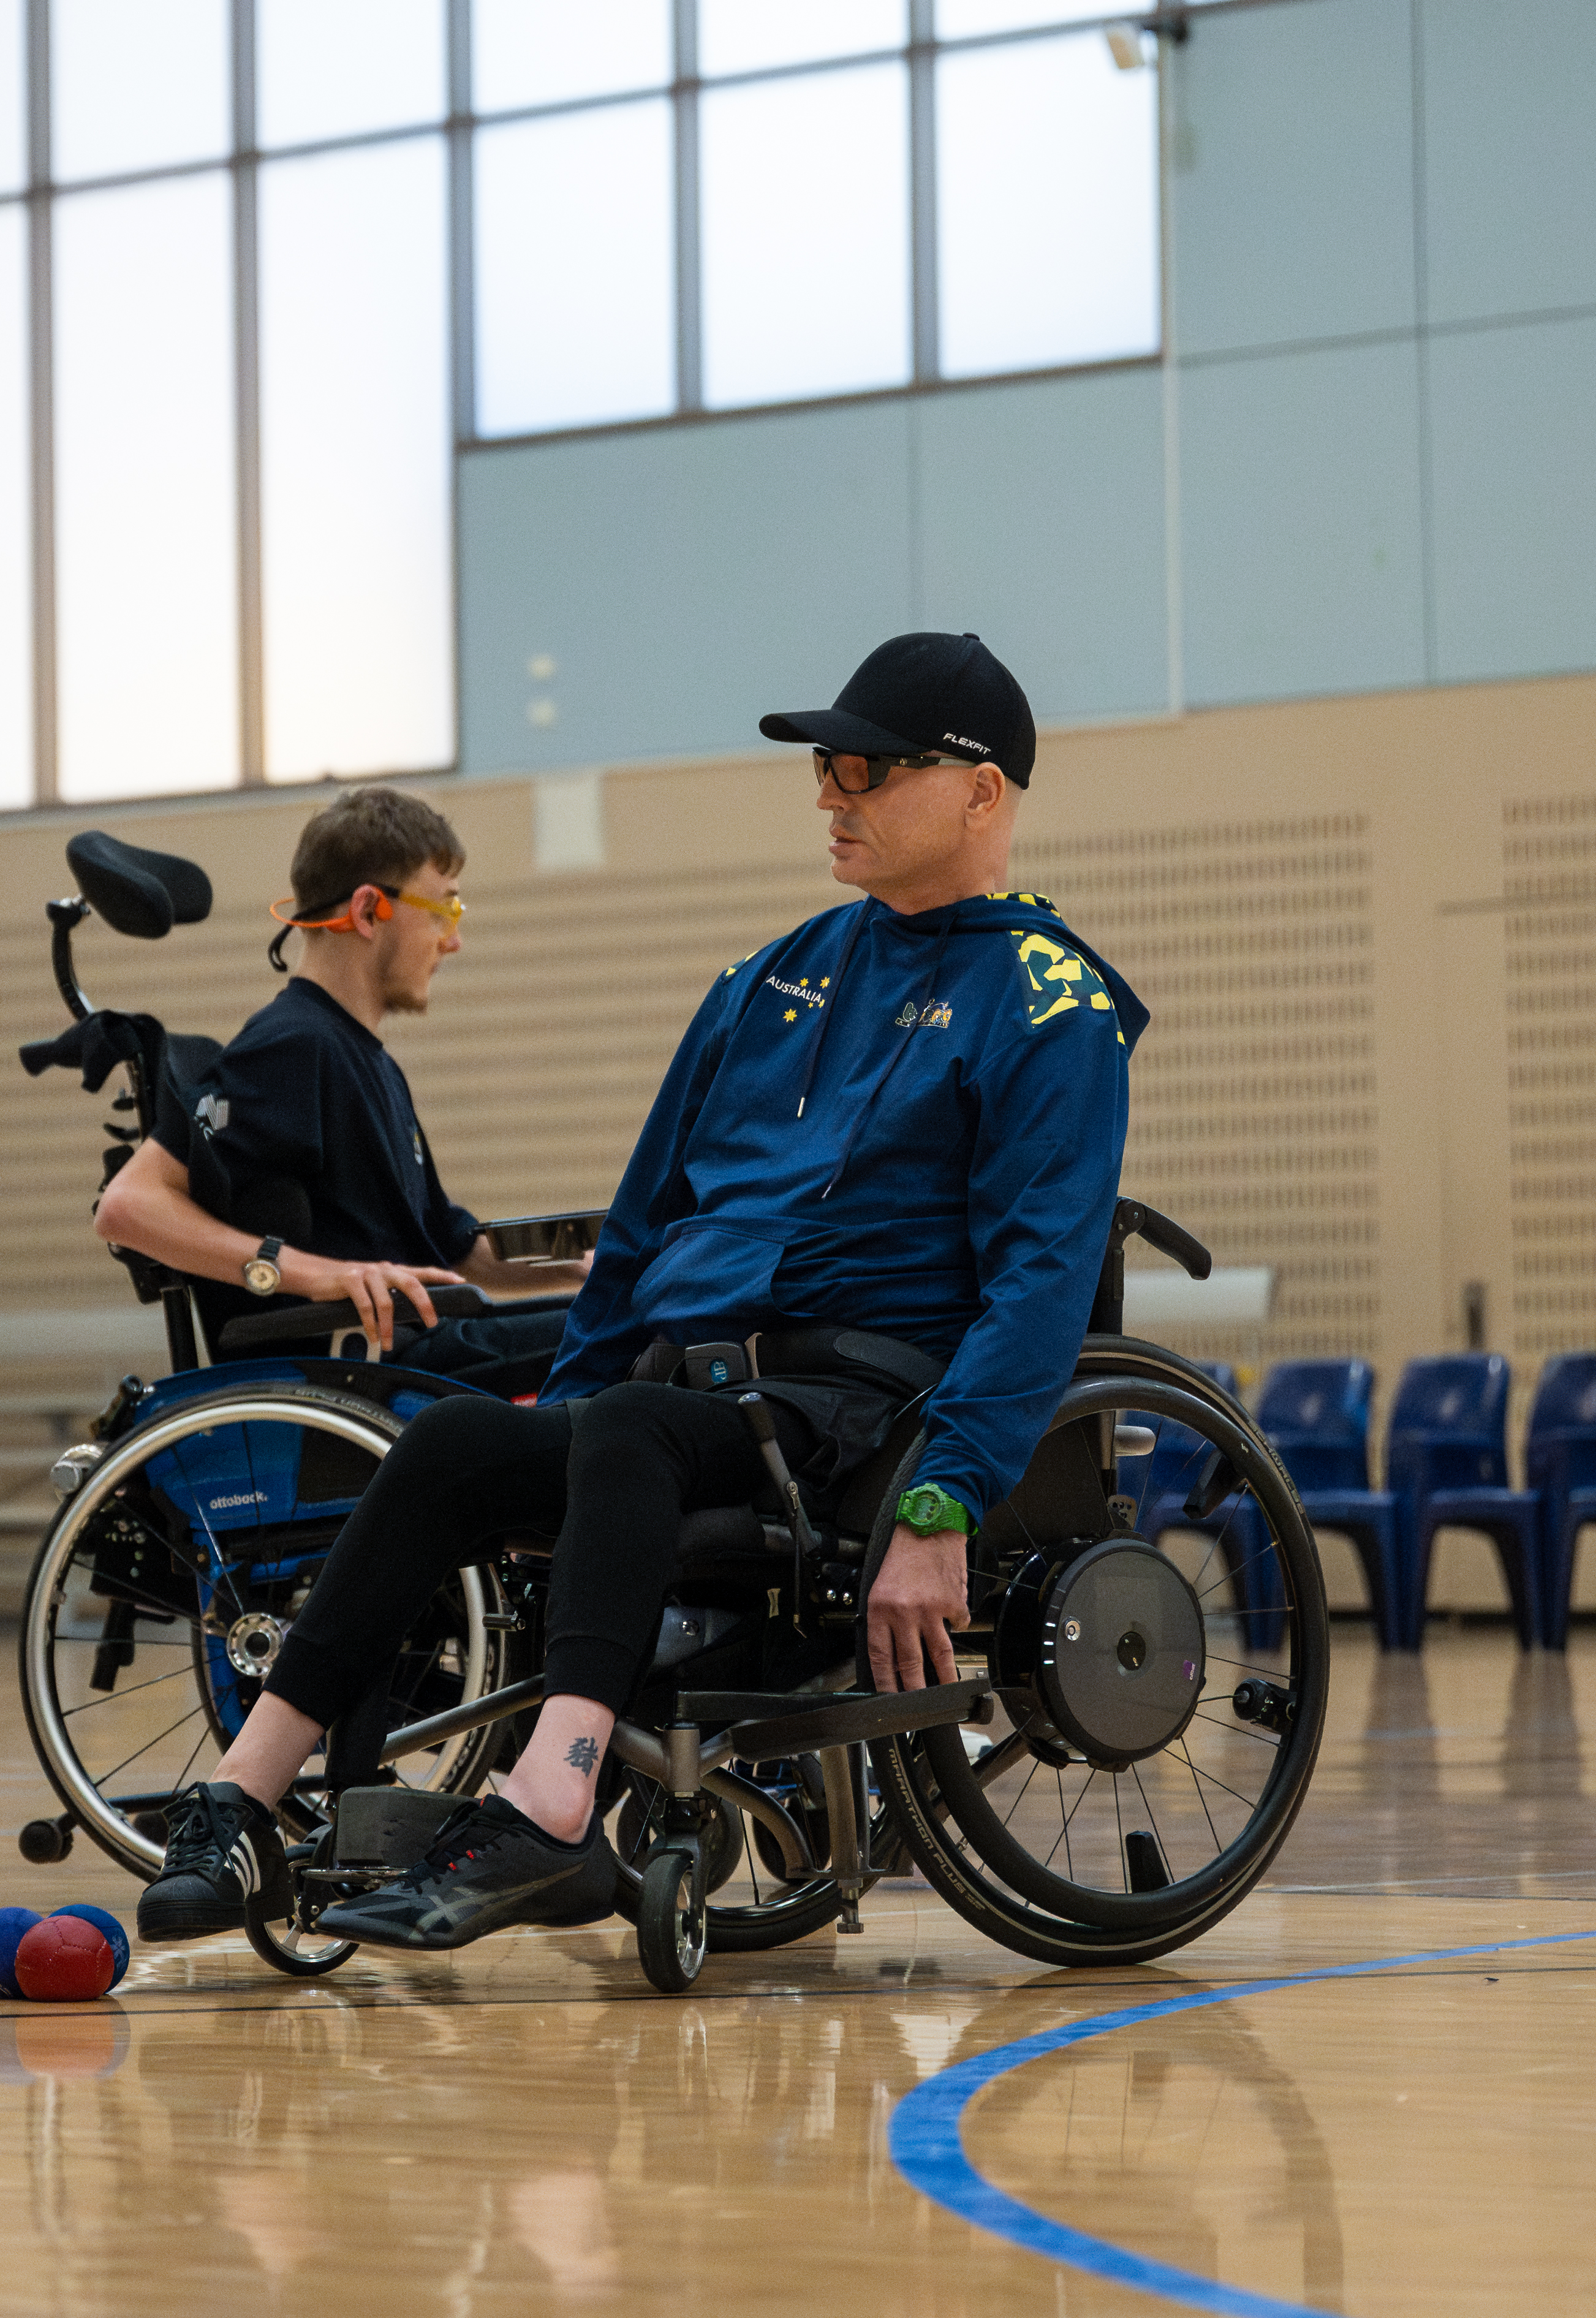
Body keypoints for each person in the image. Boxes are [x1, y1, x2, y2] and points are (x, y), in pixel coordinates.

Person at [130, 629, 1140, 1953]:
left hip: (864, 1406)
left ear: (980, 790)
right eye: (823, 766)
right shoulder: (767, 980)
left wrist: (944, 1497)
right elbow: (642, 1228)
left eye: (865, 768)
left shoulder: (1051, 1000)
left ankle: (551, 1808)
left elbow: (1043, 1278)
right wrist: (571, 1400)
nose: (828, 791)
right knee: (457, 1441)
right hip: (694, 1393)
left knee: (629, 1428)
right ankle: (244, 1797)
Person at [88, 785, 565, 1382]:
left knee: (625, 1311)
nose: (453, 939)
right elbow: (127, 1206)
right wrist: (314, 1274)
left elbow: (453, 1247)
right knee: (640, 1330)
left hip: (422, 1344)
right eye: (442, 911)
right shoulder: (293, 1045)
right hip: (372, 1365)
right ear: (367, 911)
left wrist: (591, 1265)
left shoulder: (368, 1061)